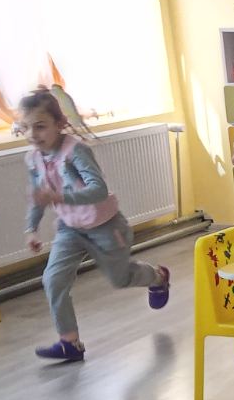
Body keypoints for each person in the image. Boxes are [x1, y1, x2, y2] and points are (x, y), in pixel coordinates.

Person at [19, 88, 169, 363]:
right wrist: (31, 229)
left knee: (120, 279)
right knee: (53, 279)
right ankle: (70, 343)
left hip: (105, 226)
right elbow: (39, 196)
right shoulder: (33, 159)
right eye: (25, 128)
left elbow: (98, 190)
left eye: (40, 126)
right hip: (70, 229)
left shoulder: (75, 151)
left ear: (59, 123)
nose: (32, 134)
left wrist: (59, 197)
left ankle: (158, 277)